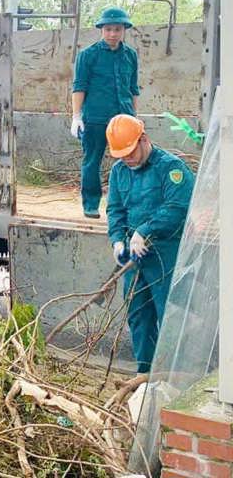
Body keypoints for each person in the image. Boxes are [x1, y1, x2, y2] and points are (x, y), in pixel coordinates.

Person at [105, 114, 193, 374]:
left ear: (144, 139)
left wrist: (145, 230)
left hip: (165, 255)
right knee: (138, 316)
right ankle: (145, 373)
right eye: (121, 155)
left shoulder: (171, 169)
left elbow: (178, 207)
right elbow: (115, 210)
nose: (127, 159)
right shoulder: (119, 172)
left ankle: (169, 375)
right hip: (135, 258)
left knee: (169, 316)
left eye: (131, 152)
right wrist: (117, 240)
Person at [71, 7, 140, 218]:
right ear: (102, 29)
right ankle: (91, 203)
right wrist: (76, 116)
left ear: (124, 30)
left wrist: (134, 118)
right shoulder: (88, 55)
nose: (112, 33)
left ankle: (127, 203)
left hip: (124, 117)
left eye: (117, 29)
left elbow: (133, 88)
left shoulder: (130, 55)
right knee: (92, 160)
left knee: (131, 160)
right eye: (108, 29)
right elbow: (79, 87)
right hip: (96, 118)